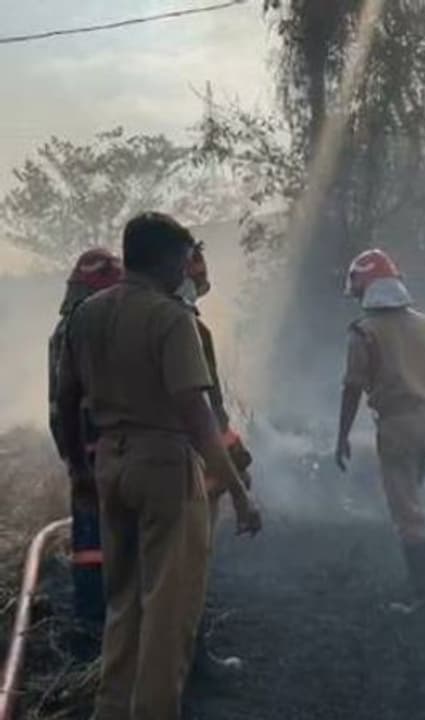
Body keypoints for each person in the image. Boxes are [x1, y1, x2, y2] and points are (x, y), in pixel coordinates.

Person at [55, 211, 262, 720]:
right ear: (167, 258)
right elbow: (196, 414)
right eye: (183, 259)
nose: (186, 270)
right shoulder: (172, 320)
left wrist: (81, 477)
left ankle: (112, 708)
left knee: (124, 606)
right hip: (166, 467)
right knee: (169, 613)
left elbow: (64, 403)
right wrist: (237, 490)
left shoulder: (85, 316)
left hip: (111, 464)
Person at [334, 248, 425, 612]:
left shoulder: (364, 332)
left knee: (407, 512)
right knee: (412, 498)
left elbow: (353, 387)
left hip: (398, 425)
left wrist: (341, 437)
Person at [175, 241, 255, 678]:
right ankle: (194, 662)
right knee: (193, 563)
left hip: (134, 469)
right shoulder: (189, 330)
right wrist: (235, 466)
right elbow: (208, 411)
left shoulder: (119, 319)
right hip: (190, 466)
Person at [48, 248, 123, 659]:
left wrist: (73, 462)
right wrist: (76, 466)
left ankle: (102, 625)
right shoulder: (73, 334)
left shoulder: (70, 331)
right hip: (106, 453)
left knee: (100, 539)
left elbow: (56, 407)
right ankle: (96, 630)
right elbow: (60, 404)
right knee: (100, 541)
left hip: (104, 453)